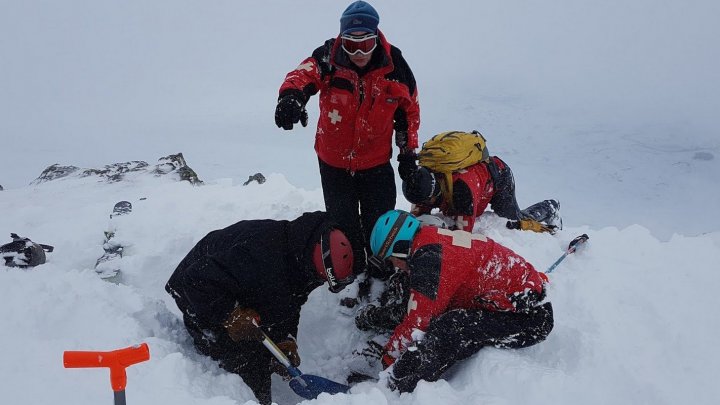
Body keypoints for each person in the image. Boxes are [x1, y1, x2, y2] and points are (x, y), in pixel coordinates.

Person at [274, 0, 420, 274]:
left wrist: (408, 155)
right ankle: (351, 273)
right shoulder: (329, 56)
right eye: (351, 45)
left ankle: (381, 273)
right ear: (342, 41)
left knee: (379, 224)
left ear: (376, 38)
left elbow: (409, 112)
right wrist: (291, 97)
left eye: (365, 44)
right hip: (333, 164)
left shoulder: (396, 67)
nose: (358, 53)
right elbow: (302, 75)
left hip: (376, 162)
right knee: (343, 223)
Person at [165, 212, 354, 404]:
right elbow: (194, 279)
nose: (321, 282)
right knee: (245, 357)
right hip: (196, 290)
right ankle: (245, 397)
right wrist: (230, 315)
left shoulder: (302, 258)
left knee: (259, 340)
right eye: (323, 278)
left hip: (233, 280)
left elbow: (289, 302)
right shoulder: (260, 256)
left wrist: (284, 339)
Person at [355, 210, 554, 392]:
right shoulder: (427, 242)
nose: (395, 266)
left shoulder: (429, 258)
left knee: (449, 327)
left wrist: (390, 356)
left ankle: (398, 386)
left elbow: (419, 321)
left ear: (399, 247)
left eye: (392, 260)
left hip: (531, 319)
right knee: (434, 310)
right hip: (511, 298)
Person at [400, 131, 562, 233]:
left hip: (498, 176)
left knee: (516, 221)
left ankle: (550, 207)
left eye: (427, 202)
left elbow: (462, 233)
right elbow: (416, 216)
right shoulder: (420, 183)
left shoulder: (461, 190)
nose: (423, 204)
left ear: (434, 193)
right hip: (476, 177)